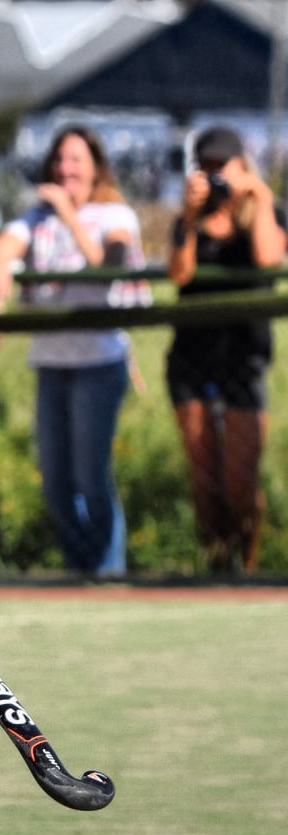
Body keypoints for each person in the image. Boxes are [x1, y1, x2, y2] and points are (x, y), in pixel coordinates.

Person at [0, 126, 146, 578]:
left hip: (98, 361)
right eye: (60, 159)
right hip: (51, 363)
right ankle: (81, 569)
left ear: (95, 166)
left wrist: (69, 216)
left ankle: (107, 574)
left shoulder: (116, 216)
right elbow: (8, 243)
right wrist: (0, 258)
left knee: (92, 479)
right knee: (57, 482)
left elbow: (108, 266)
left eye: (76, 159)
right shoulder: (36, 217)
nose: (65, 168)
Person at [165, 126, 287, 573]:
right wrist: (190, 215)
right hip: (192, 360)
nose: (216, 175)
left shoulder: (266, 211)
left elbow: (269, 259)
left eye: (225, 167)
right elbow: (180, 273)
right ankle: (217, 562)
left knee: (241, 481)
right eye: (208, 167)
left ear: (242, 166)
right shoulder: (191, 218)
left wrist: (258, 195)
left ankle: (248, 565)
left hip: (245, 358)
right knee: (205, 478)